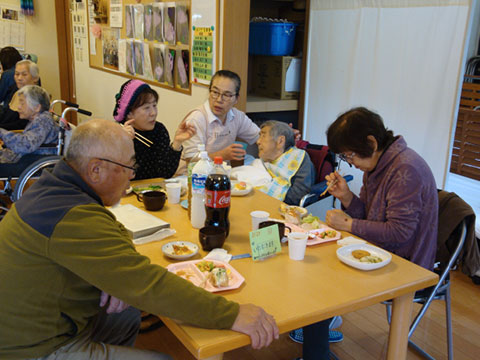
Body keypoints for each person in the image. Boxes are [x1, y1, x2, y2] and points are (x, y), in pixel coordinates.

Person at [0, 119, 279, 359]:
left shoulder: (56, 188)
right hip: (31, 348)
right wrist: (233, 314)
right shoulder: (72, 216)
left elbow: (114, 232)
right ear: (95, 169)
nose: (131, 177)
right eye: (128, 167)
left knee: (126, 312)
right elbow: (149, 284)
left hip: (46, 318)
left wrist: (115, 276)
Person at [325, 107, 438, 270]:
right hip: (376, 250)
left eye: (350, 155)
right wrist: (346, 197)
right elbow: (367, 216)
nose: (351, 162)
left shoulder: (406, 169)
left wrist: (348, 224)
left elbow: (399, 232)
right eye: (345, 157)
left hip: (405, 265)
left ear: (371, 143)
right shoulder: (376, 164)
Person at [113, 79, 196, 180]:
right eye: (146, 108)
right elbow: (118, 175)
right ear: (129, 113)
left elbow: (165, 173)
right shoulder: (116, 134)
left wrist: (177, 143)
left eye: (154, 105)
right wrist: (125, 143)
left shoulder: (159, 130)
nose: (153, 113)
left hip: (153, 191)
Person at [179, 70, 260, 168]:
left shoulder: (237, 116)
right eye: (215, 92)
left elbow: (259, 138)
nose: (218, 100)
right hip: (193, 175)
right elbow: (190, 160)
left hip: (220, 172)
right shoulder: (196, 119)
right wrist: (222, 155)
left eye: (226, 95)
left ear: (236, 99)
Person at [0, 85, 58, 176]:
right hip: (29, 160)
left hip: (34, 163)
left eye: (22, 103)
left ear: (37, 107)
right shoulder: (39, 119)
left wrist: (1, 133)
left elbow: (26, 145)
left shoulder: (43, 120)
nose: (18, 107)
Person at [254, 120, 314, 205]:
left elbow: (297, 196)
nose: (258, 142)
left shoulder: (297, 158)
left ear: (280, 141)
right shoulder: (262, 161)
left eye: (263, 136)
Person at [0, 59, 41, 130]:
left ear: (35, 78)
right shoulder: (14, 90)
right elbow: (5, 115)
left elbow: (22, 125)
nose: (19, 78)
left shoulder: (36, 97)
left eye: (24, 74)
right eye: (17, 74)